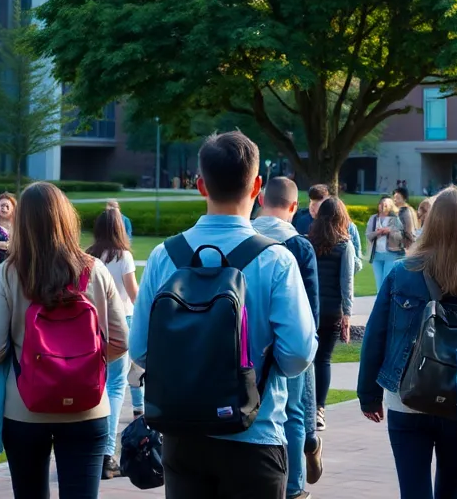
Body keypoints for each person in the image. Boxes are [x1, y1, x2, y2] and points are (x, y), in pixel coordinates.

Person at [130, 131, 317, 497]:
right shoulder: (276, 259)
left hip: (183, 435)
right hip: (254, 433)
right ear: (257, 186)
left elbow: (140, 349)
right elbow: (297, 357)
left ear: (200, 185)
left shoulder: (164, 257)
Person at [0, 182, 129, 498]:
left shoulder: (9, 273)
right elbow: (120, 339)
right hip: (88, 407)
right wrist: (84, 363)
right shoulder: (94, 270)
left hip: (25, 408)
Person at [357, 185, 457, 499]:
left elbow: (376, 335)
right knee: (452, 491)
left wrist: (368, 395)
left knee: (413, 491)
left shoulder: (402, 272)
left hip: (407, 395)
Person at [252, 176, 324, 499]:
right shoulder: (298, 245)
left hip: (247, 341)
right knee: (293, 412)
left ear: (261, 198)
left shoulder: (244, 235)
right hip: (288, 343)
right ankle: (294, 486)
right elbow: (312, 313)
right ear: (294, 206)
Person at [86, 202, 140, 480]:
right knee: (116, 387)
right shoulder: (124, 256)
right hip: (121, 325)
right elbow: (133, 295)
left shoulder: (88, 255)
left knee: (96, 387)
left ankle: (93, 451)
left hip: (91, 327)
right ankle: (107, 454)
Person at [310, 195, 356, 432]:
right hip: (331, 311)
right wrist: (348, 314)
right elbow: (346, 282)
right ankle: (319, 409)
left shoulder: (309, 241)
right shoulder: (344, 244)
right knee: (324, 360)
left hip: (308, 310)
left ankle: (306, 407)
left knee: (307, 360)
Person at [366, 197, 403, 286]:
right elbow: (368, 235)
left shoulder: (395, 219)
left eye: (385, 204)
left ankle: (386, 299)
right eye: (381, 204)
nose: (383, 206)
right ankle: (380, 299)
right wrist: (377, 233)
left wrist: (389, 231)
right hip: (376, 255)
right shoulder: (374, 218)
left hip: (390, 254)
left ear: (390, 206)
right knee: (379, 283)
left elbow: (401, 236)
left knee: (386, 282)